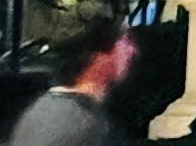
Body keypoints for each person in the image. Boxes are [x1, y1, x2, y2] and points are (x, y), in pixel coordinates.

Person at [8, 16, 136, 146]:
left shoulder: (58, 109)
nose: (131, 50)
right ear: (101, 60)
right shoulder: (74, 120)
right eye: (125, 42)